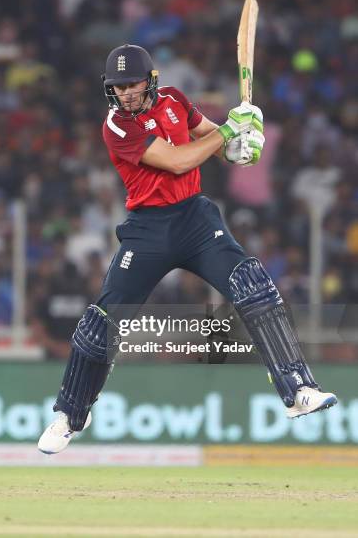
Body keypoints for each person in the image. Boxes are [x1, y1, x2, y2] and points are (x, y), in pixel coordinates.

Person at [38, 44, 337, 454]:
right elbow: (179, 161)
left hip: (195, 220)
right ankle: (70, 414)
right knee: (102, 322)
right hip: (148, 229)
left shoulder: (175, 100)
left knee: (253, 285)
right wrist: (230, 131)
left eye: (132, 84)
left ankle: (298, 388)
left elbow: (212, 141)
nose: (125, 93)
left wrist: (242, 142)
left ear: (150, 80)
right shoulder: (116, 126)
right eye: (118, 86)